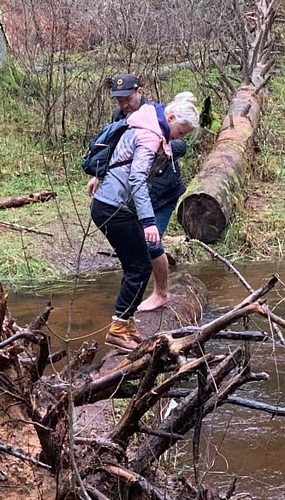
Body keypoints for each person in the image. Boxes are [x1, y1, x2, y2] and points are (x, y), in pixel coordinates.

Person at [89, 91, 200, 351]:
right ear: (170, 117)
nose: (178, 138)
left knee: (137, 264)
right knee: (138, 266)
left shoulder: (146, 119)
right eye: (180, 131)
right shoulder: (150, 134)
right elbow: (137, 180)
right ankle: (118, 329)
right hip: (113, 208)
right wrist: (149, 222)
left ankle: (126, 324)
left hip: (112, 205)